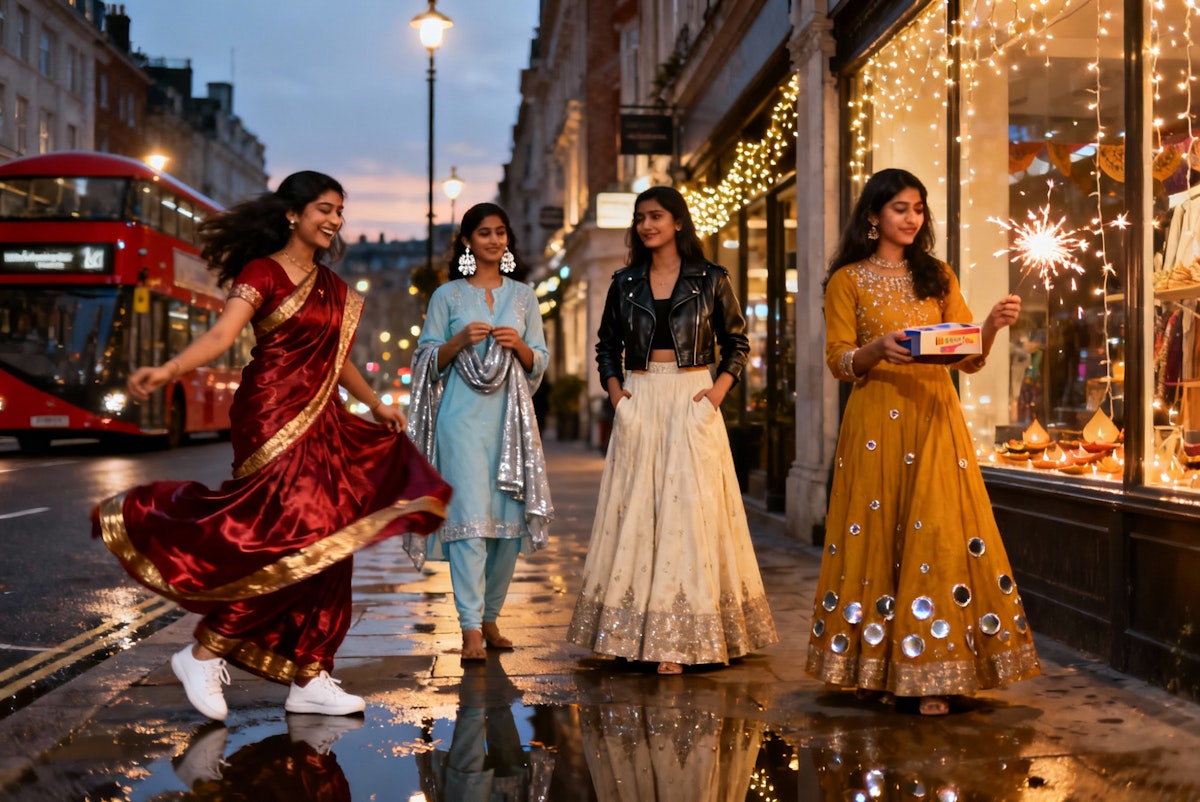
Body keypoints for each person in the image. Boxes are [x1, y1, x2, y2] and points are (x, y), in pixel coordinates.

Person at [93, 172, 451, 721]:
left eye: (339, 211)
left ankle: (310, 674)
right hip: (271, 416)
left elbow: (337, 360)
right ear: (293, 214)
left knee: (331, 542)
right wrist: (169, 370)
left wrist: (376, 404)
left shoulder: (332, 285)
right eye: (324, 209)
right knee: (289, 537)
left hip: (324, 418)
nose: (334, 220)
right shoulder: (262, 273)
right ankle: (204, 652)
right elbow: (221, 336)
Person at [808, 167, 1041, 715]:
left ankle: (936, 671)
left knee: (938, 534)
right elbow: (839, 360)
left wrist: (991, 326)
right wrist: (877, 350)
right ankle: (872, 665)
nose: (912, 218)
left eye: (918, 208)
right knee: (876, 534)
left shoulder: (937, 276)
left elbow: (966, 355)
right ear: (873, 215)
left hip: (935, 417)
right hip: (875, 422)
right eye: (900, 208)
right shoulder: (847, 281)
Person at [566, 185, 778, 675]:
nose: (647, 225)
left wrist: (717, 393)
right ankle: (629, 633)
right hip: (640, 396)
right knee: (638, 510)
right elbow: (606, 346)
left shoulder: (711, 278)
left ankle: (681, 639)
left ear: (678, 221)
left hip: (693, 395)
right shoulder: (624, 283)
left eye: (656, 216)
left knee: (691, 511)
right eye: (641, 218)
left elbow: (737, 342)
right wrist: (617, 396)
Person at [406, 202, 553, 662]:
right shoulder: (446, 296)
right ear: (467, 241)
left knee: (506, 529)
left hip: (511, 423)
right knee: (469, 522)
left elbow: (540, 361)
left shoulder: (524, 296)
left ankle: (491, 616)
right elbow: (425, 361)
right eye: (484, 233)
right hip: (461, 422)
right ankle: (470, 626)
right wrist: (457, 341)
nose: (494, 240)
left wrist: (520, 347)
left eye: (500, 232)